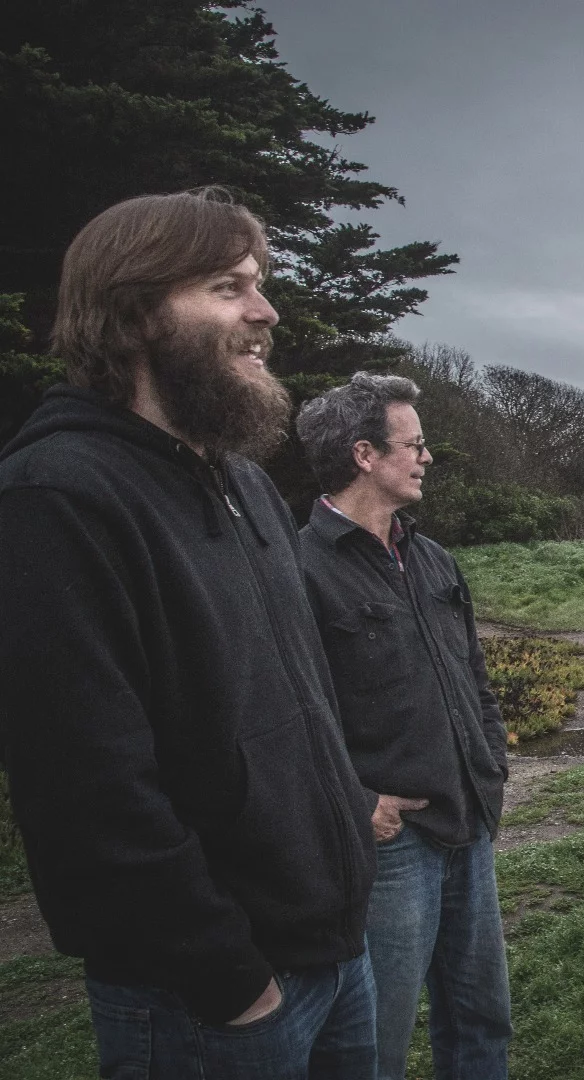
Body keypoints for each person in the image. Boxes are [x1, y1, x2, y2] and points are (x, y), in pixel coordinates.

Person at [0, 189, 379, 1079]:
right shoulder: (55, 498)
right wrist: (229, 979)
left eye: (260, 283)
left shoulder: (243, 484)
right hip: (211, 999)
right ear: (134, 313)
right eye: (226, 287)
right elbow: (87, 790)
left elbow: (292, 699)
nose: (265, 311)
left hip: (333, 952)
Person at [295, 373, 512, 1080]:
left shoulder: (432, 556)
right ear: (364, 455)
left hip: (468, 822)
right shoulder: (300, 570)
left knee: (482, 1020)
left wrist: (490, 762)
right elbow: (291, 716)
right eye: (413, 445)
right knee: (374, 1042)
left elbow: (474, 674)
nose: (426, 457)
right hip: (390, 845)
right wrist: (360, 804)